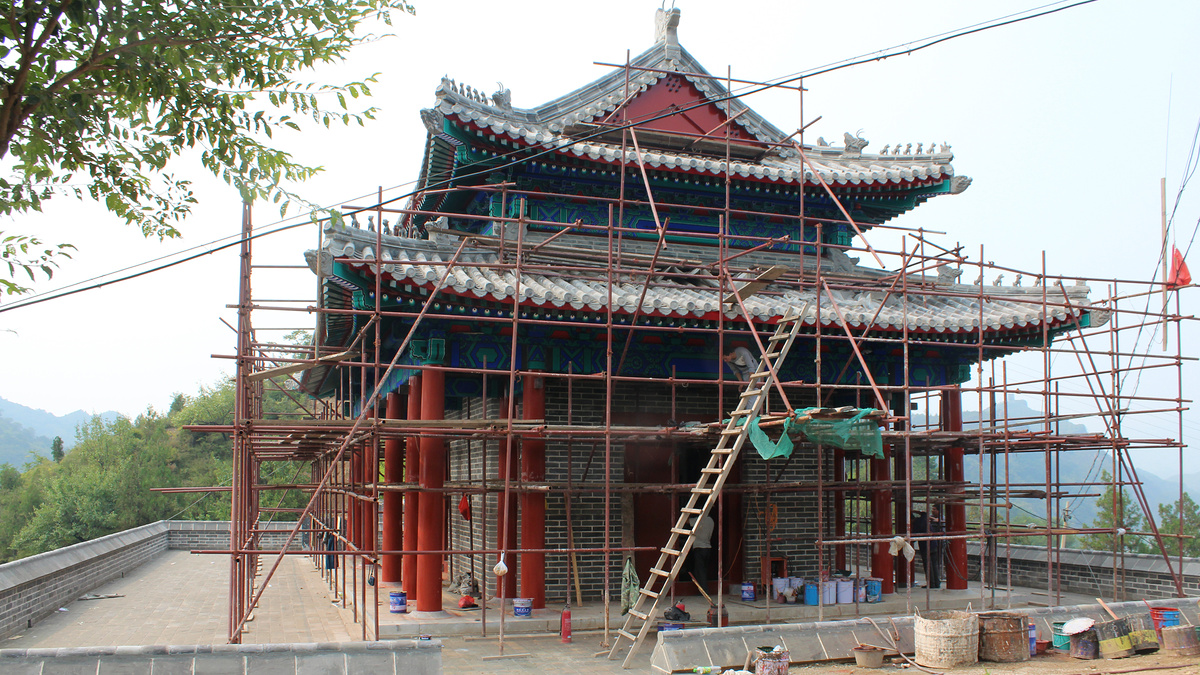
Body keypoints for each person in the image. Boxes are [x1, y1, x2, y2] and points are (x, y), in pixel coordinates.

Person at [689, 514, 715, 593]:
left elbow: (687, 521)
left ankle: (704, 591)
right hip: (707, 548)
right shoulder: (711, 520)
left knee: (700, 571)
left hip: (699, 548)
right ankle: (703, 589)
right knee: (703, 569)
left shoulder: (699, 520)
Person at [926, 505, 944, 589]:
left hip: (939, 542)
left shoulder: (941, 518)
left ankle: (935, 582)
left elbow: (942, 521)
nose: (932, 511)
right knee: (933, 563)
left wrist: (932, 519)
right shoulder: (931, 518)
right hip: (934, 542)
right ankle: (934, 582)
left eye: (934, 509)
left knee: (935, 563)